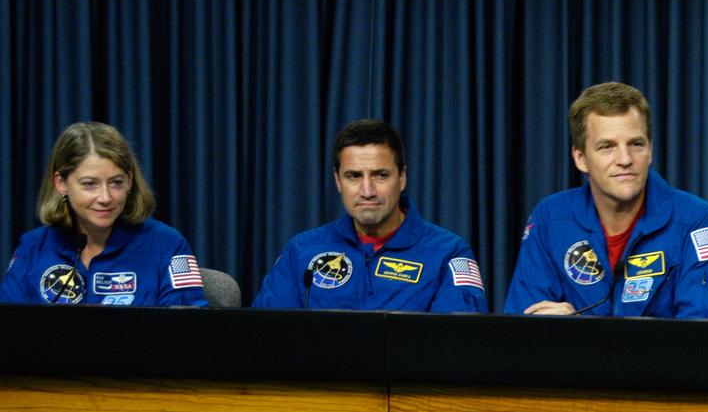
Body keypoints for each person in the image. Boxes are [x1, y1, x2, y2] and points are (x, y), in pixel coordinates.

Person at [504, 82, 708, 318]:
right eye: (607, 147)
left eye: (636, 144)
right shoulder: (551, 219)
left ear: (650, 150)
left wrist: (577, 332)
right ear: (580, 158)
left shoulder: (698, 221)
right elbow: (523, 332)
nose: (625, 159)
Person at [252, 119, 486, 311]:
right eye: (354, 176)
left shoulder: (448, 253)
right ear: (337, 180)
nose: (367, 191)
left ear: (402, 177)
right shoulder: (301, 251)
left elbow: (457, 346)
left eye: (380, 175)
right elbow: (267, 339)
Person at [1, 122, 207, 307]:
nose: (105, 197)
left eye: (116, 182)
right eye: (90, 184)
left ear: (130, 180)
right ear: (61, 183)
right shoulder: (33, 247)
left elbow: (189, 334)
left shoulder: (169, 246)